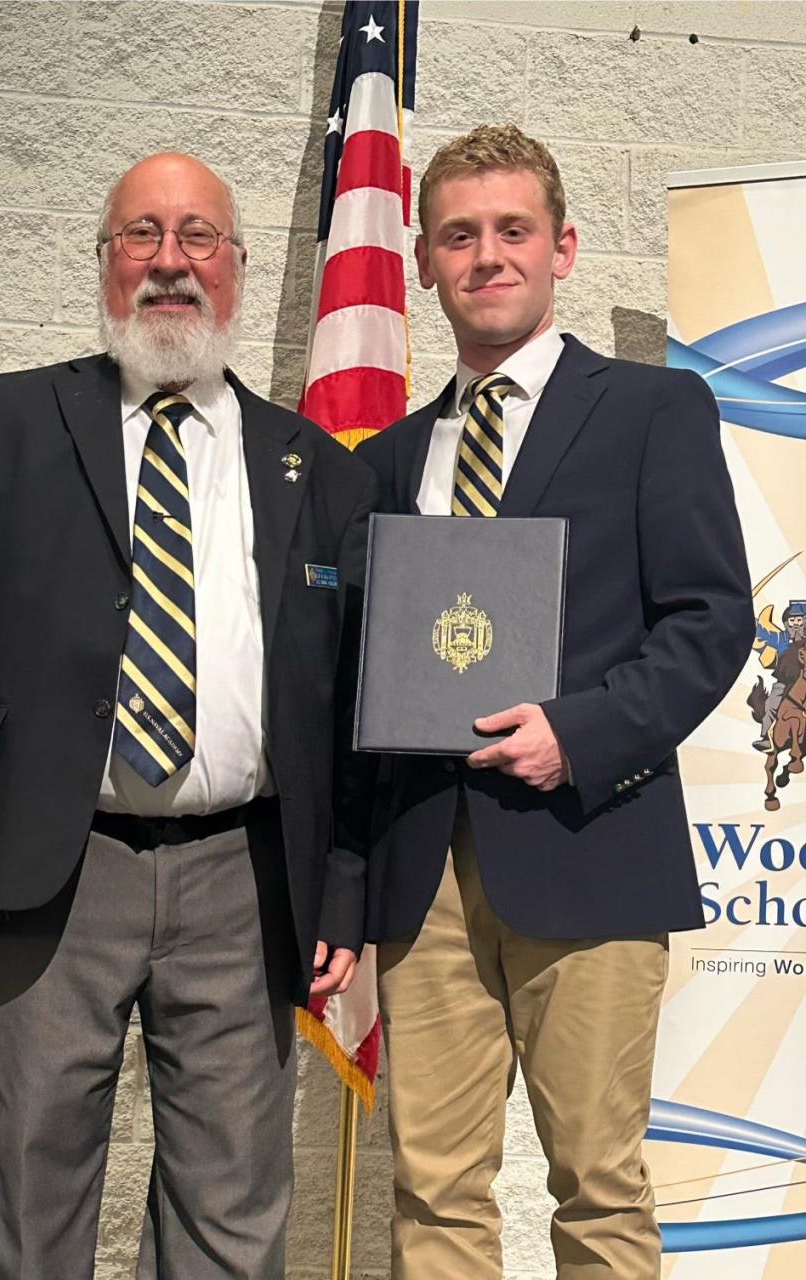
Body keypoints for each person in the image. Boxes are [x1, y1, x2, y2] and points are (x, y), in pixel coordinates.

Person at [0, 151, 377, 1280]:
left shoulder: (314, 467)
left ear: (236, 270)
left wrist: (342, 885)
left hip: (247, 881)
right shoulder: (6, 422)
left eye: (199, 238)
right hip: (55, 870)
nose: (171, 262)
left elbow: (342, 703)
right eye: (143, 234)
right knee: (26, 1210)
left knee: (231, 1223)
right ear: (104, 261)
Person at [355, 124, 754, 1280]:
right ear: (426, 261)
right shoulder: (386, 458)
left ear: (563, 246)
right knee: (433, 1187)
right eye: (460, 235)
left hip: (590, 839)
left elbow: (709, 618)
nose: (488, 255)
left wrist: (575, 731)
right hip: (422, 863)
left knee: (598, 1183)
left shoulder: (650, 411)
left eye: (513, 230)